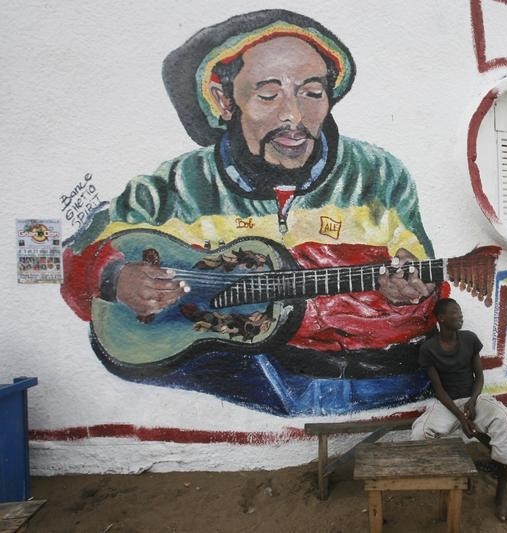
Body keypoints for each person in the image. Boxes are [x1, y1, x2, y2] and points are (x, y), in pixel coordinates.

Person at [60, 10, 439, 415]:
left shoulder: (379, 175)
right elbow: (71, 258)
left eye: (312, 92)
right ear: (225, 101)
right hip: (226, 383)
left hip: (364, 377)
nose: (293, 117)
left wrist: (413, 291)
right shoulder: (178, 184)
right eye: (268, 95)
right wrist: (116, 277)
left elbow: (418, 267)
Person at [411, 298, 507, 521]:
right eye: (455, 313)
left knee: (502, 417)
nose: (460, 316)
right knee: (420, 433)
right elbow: (438, 389)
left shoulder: (469, 339)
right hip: (447, 403)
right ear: (441, 318)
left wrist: (473, 401)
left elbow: (479, 377)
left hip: (473, 398)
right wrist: (461, 416)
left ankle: (502, 490)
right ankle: (455, 473)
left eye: (460, 312)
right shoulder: (428, 349)